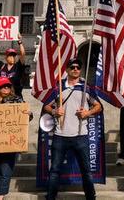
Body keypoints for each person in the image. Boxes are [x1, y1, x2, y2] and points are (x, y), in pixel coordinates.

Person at [43, 58, 102, 200]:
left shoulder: (86, 87)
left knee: (86, 171)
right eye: (72, 67)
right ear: (67, 70)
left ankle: (91, 196)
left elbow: (98, 106)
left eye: (78, 67)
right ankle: (50, 197)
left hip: (80, 135)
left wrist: (87, 113)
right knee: (55, 170)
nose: (75, 69)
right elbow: (46, 105)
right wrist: (54, 112)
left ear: (80, 70)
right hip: (60, 135)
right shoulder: (59, 88)